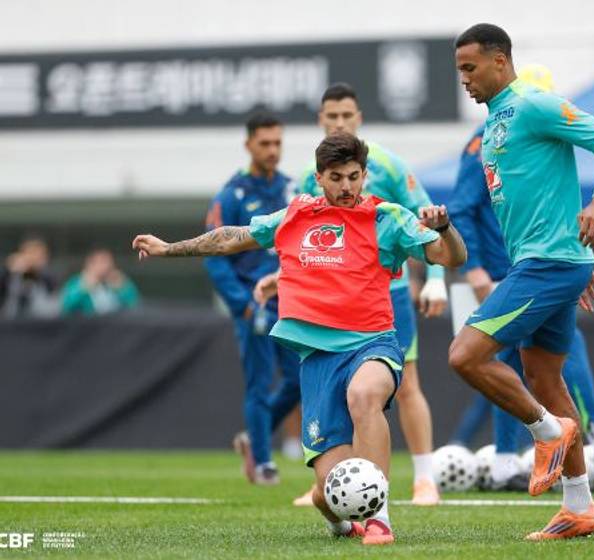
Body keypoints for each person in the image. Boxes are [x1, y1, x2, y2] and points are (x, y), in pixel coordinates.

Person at [133, 133, 467, 546]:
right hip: (318, 361)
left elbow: (453, 257)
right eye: (336, 178)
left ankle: (379, 518)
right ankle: (340, 520)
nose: (346, 186)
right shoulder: (296, 215)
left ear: (364, 175)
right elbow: (233, 237)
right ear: (319, 177)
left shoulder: (388, 218)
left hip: (372, 343)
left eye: (354, 176)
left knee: (365, 395)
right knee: (328, 492)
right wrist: (169, 248)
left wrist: (445, 229)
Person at [450, 24, 594, 540]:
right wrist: (576, 259)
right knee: (546, 379)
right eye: (459, 70)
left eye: (470, 68)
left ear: (500, 61)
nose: (464, 79)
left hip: (546, 266)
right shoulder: (493, 124)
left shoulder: (534, 105)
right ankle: (580, 508)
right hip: (551, 264)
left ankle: (546, 432)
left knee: (465, 355)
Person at [294, 83, 446, 506]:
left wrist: (435, 279)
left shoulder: (388, 165)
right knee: (338, 393)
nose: (339, 122)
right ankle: (336, 482)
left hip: (387, 294)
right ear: (321, 120)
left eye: (347, 115)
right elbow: (297, 238)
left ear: (358, 118)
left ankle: (425, 478)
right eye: (332, 116)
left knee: (406, 384)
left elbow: (426, 218)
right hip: (332, 306)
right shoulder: (309, 176)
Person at [204, 113, 302, 485]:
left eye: (277, 142)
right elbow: (215, 256)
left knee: (298, 380)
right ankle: (262, 462)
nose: (272, 150)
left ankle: (252, 437)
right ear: (248, 145)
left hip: (291, 302)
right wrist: (241, 304)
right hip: (253, 303)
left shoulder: (292, 189)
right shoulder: (232, 194)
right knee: (259, 384)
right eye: (264, 143)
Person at [61, 248, 139, 315]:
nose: (106, 266)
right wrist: (83, 289)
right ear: (90, 264)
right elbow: (66, 308)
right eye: (101, 262)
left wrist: (123, 288)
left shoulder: (118, 281)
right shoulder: (77, 283)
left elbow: (135, 305)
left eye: (108, 262)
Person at [0, 236, 59, 318]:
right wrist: (8, 271)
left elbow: (54, 304)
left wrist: (36, 273)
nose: (34, 258)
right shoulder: (10, 274)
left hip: (42, 322)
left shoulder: (49, 276)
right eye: (31, 253)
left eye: (39, 255)